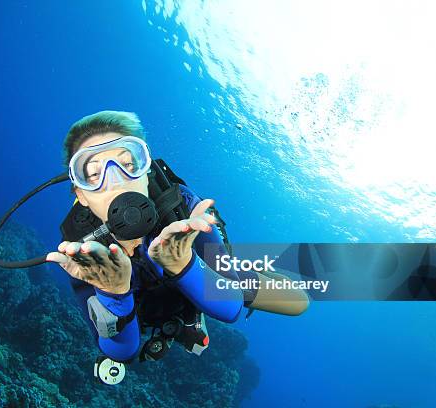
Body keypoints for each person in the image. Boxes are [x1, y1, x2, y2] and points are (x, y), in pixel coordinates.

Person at [46, 111, 309, 365]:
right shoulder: (82, 247)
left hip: (203, 273)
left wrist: (184, 264)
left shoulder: (179, 206)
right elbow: (123, 352)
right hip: (143, 307)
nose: (116, 181)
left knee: (297, 302)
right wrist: (112, 292)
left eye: (128, 164)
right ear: (80, 195)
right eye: (93, 174)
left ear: (146, 173)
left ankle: (241, 267)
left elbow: (232, 309)